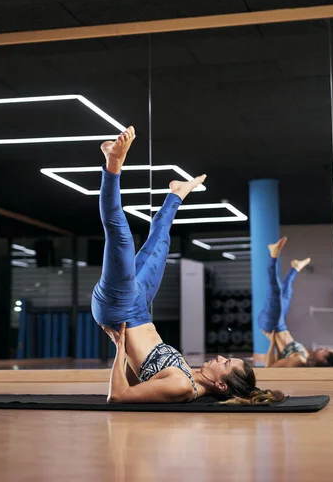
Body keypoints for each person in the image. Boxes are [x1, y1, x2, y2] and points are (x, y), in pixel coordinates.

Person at [91, 126, 284, 404]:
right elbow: (138, 376)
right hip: (139, 308)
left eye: (226, 363)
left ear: (220, 384)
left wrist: (120, 347)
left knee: (121, 236)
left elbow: (119, 396)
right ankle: (176, 195)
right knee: (159, 246)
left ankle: (112, 165)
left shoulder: (183, 386)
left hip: (118, 309)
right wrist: (125, 352)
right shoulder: (188, 374)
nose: (220, 357)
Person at [259, 237, 333, 368]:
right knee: (286, 294)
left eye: (324, 351)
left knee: (276, 291)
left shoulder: (299, 361)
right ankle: (295, 268)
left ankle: (273, 255)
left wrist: (272, 344)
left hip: (271, 325)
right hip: (280, 325)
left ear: (323, 360)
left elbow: (270, 368)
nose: (322, 348)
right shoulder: (305, 357)